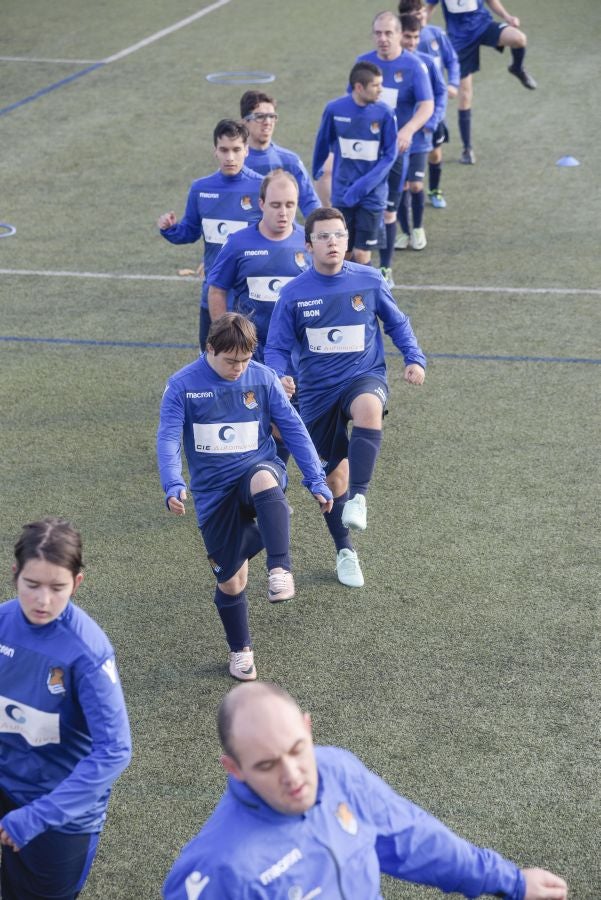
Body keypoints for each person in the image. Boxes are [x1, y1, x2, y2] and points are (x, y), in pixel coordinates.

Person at [162, 681, 569, 899]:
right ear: (233, 769)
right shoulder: (216, 870)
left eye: (297, 750)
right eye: (266, 765)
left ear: (307, 728)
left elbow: (410, 838)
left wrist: (508, 881)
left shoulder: (338, 771)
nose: (293, 775)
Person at [156, 313, 333, 682]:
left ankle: (280, 569)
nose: (239, 368)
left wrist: (315, 477)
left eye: (245, 360)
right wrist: (173, 483)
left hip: (256, 469)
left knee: (266, 480)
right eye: (230, 360)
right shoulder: (182, 386)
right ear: (209, 349)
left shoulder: (263, 378)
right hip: (213, 495)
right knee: (232, 582)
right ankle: (240, 650)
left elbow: (294, 429)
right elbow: (169, 438)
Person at [265, 208, 426, 590]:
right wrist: (278, 376)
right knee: (333, 476)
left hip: (363, 376)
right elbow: (276, 347)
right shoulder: (293, 294)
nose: (332, 242)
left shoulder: (369, 281)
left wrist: (414, 357)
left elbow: (397, 322)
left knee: (370, 407)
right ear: (308, 246)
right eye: (323, 236)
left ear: (348, 241)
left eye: (338, 235)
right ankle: (344, 550)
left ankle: (361, 498)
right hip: (316, 395)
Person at [0, 517, 132, 900]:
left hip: (58, 814)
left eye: (57, 588)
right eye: (32, 585)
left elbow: (115, 751)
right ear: (14, 575)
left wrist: (38, 817)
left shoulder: (87, 652)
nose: (43, 600)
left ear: (76, 583)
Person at [157, 119, 263, 349]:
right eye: (224, 150)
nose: (230, 157)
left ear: (246, 149)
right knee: (211, 359)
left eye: (236, 150)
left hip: (253, 296)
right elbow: (190, 231)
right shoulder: (201, 188)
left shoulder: (262, 187)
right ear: (215, 150)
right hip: (214, 295)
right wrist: (169, 229)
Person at [355, 11, 434, 267]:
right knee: (362, 208)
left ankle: (386, 268)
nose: (383, 38)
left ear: (400, 35)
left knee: (389, 210)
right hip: (365, 151)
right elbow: (352, 102)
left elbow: (427, 105)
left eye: (389, 33)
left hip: (396, 151)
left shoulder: (414, 66)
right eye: (378, 33)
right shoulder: (363, 64)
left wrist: (408, 130)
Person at [207, 170, 309, 364]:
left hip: (298, 354)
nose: (283, 212)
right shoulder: (238, 243)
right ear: (261, 204)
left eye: (290, 205)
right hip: (252, 353)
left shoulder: (308, 242)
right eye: (275, 205)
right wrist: (227, 337)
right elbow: (217, 290)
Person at [426, 0, 536, 165]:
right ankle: (467, 149)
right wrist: (417, 31)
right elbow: (428, 9)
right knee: (465, 95)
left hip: (483, 26)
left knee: (519, 39)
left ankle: (516, 67)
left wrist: (507, 17)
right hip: (460, 40)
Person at [312, 61, 398, 270]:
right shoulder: (335, 109)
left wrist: (363, 186)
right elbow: (323, 140)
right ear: (359, 87)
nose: (381, 90)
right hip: (343, 194)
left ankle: (370, 296)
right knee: (345, 252)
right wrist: (316, 166)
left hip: (372, 196)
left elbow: (390, 156)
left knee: (361, 254)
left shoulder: (385, 113)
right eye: (376, 85)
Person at [399, 0, 460, 209]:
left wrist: (453, 83)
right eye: (415, 12)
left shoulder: (436, 34)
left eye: (422, 10)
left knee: (435, 152)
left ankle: (434, 189)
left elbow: (452, 60)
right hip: (407, 114)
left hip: (433, 110)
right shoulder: (400, 45)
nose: (421, 14)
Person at [394, 12, 448, 250]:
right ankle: (404, 232)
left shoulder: (426, 62)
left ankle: (417, 228)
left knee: (415, 185)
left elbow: (440, 92)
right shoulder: (386, 64)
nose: (412, 42)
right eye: (408, 36)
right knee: (401, 186)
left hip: (420, 136)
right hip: (394, 138)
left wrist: (431, 121)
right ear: (399, 35)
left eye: (416, 37)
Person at [240, 90, 321, 217]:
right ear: (244, 121)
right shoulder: (235, 162)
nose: (267, 122)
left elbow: (310, 203)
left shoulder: (290, 161)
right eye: (260, 116)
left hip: (283, 235)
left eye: (272, 116)